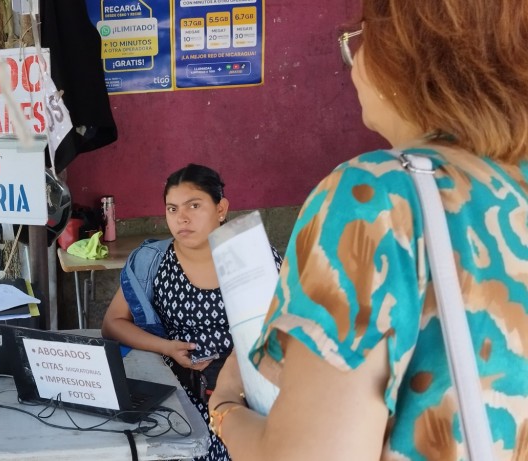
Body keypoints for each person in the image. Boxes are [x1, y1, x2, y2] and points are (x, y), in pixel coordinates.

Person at [209, 1, 528, 459]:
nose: (354, 62)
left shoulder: (377, 199)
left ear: (405, 55)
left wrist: (224, 407)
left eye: (361, 38)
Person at [101, 164, 281, 461]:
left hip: (244, 401)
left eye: (194, 205)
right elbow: (112, 324)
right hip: (177, 398)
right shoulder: (152, 262)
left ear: (221, 208)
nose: (181, 218)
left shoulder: (253, 257)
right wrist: (167, 348)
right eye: (172, 209)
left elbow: (284, 326)